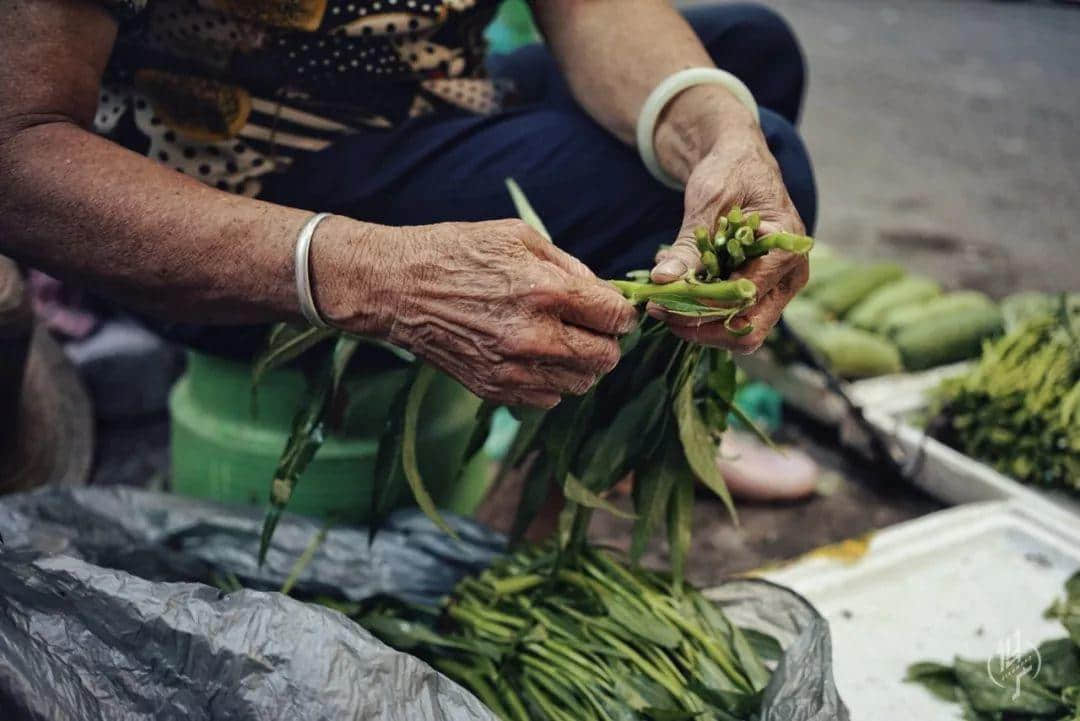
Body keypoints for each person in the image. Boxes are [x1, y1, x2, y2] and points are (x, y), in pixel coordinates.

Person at [0, 0, 814, 410]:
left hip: (428, 102)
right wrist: (379, 277)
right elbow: (18, 147)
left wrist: (714, 128)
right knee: (722, 170)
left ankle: (640, 408)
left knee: (746, 66)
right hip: (234, 192)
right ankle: (527, 540)